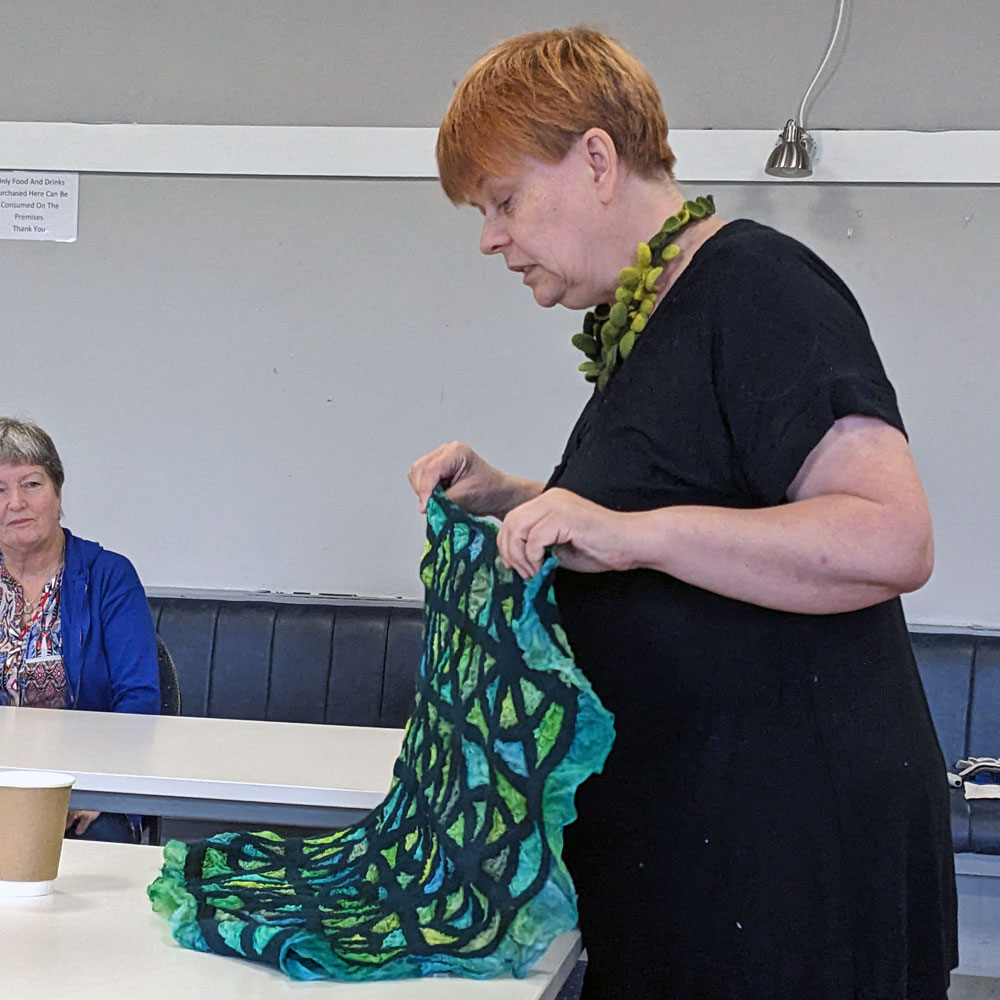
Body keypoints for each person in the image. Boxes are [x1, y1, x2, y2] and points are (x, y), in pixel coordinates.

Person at [408, 27, 957, 1000]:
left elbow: (889, 535)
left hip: (790, 878)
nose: (490, 237)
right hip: (694, 856)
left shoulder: (757, 286)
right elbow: (686, 511)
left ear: (596, 159)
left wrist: (631, 534)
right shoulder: (646, 320)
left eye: (503, 200)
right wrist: (517, 496)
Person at [0, 417, 160, 843]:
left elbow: (139, 699)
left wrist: (96, 786)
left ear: (58, 491)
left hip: (88, 787)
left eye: (31, 484)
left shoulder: (109, 576)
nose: (15, 503)